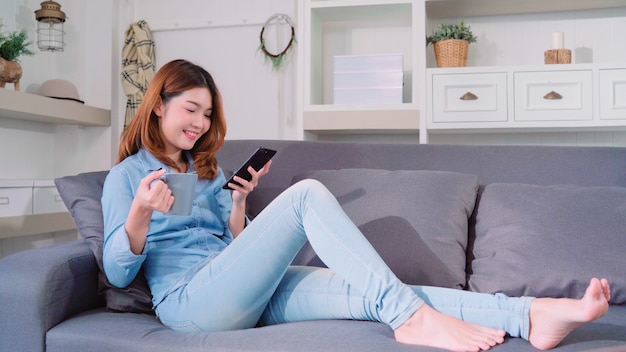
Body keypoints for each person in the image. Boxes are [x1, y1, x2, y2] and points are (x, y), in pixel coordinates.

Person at [102, 59, 611, 352]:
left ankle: (533, 315)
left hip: (243, 294)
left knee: (376, 289)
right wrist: (140, 213)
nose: (200, 123)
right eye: (190, 109)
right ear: (159, 105)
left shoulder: (205, 173)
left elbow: (235, 249)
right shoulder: (126, 176)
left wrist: (238, 204)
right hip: (191, 305)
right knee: (305, 198)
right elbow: (119, 273)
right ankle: (411, 320)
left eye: (207, 114)